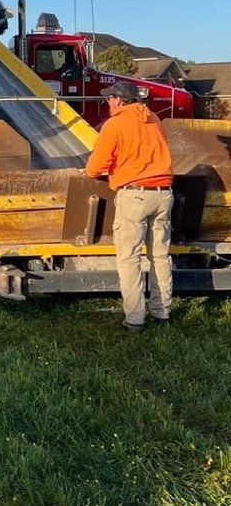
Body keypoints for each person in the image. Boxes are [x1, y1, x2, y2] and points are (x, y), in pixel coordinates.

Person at [84, 80, 174, 331]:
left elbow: (95, 166)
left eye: (110, 99)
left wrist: (93, 171)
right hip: (164, 193)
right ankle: (162, 312)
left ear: (119, 100)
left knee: (129, 258)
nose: (108, 103)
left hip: (134, 195)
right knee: (160, 255)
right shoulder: (154, 119)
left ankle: (135, 319)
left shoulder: (115, 124)